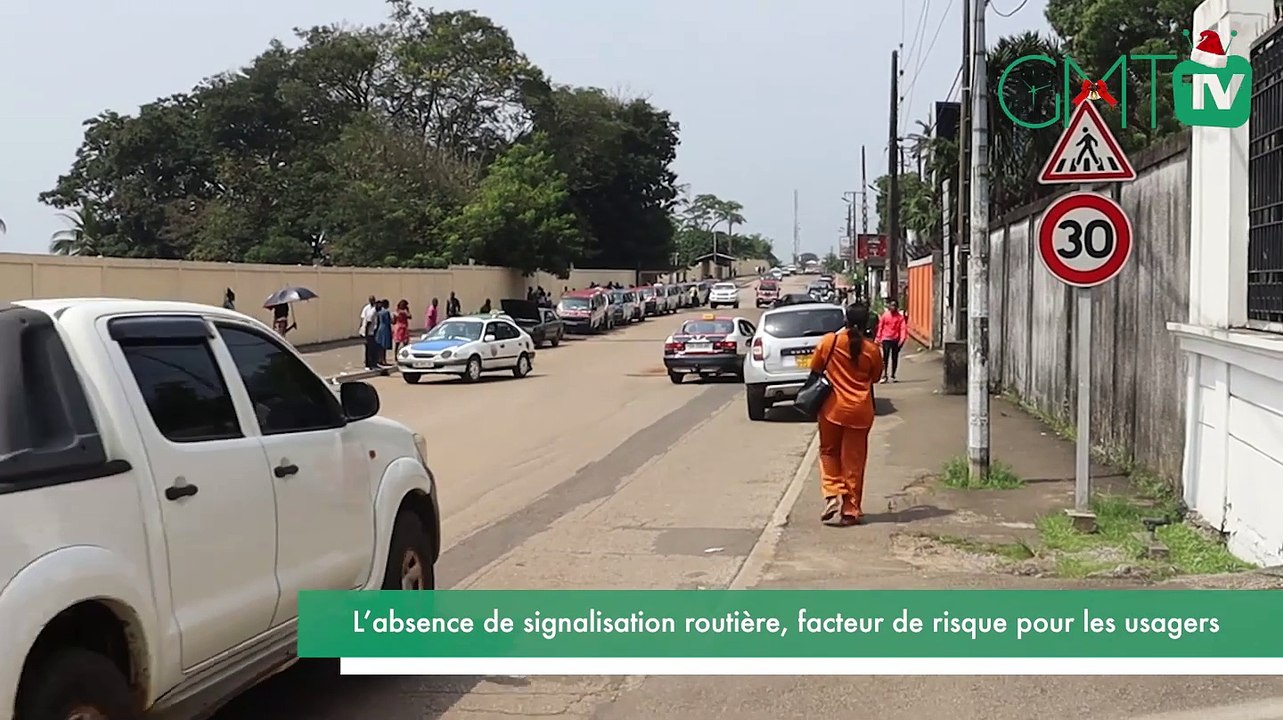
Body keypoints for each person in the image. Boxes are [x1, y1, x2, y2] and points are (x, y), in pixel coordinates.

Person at [810, 304, 884, 526]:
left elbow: (815, 368)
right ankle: (850, 510)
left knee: (828, 452)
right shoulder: (872, 350)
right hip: (861, 412)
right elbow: (876, 377)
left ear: (845, 319)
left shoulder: (829, 341)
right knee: (854, 462)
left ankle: (832, 492)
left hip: (832, 410)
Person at [875, 299, 908, 383]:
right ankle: (884, 375)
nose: (893, 307)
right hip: (886, 339)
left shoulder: (900, 318)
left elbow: (903, 329)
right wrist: (878, 338)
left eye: (894, 306)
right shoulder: (885, 316)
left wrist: (902, 339)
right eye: (891, 305)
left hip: (896, 340)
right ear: (889, 306)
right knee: (885, 358)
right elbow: (880, 327)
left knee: (894, 358)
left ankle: (893, 375)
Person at [359, 295, 379, 370]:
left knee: (373, 348)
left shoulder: (375, 309)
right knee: (369, 349)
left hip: (373, 331)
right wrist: (364, 331)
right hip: (369, 332)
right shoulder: (368, 309)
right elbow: (367, 321)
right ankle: (368, 364)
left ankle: (373, 363)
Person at [375, 299, 393, 366]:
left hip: (380, 327)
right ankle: (383, 360)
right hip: (385, 328)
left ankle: (379, 359)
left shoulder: (379, 312)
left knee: (380, 345)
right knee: (384, 345)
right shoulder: (386, 312)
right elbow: (388, 321)